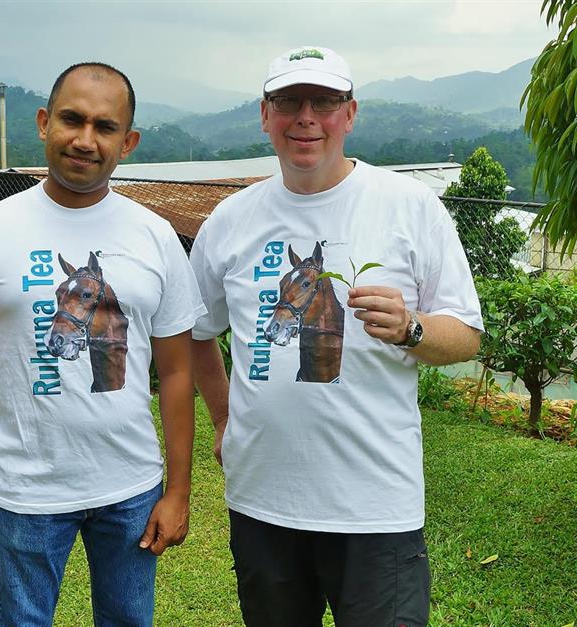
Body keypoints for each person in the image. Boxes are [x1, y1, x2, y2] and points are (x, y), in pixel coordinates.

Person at [0, 62, 205, 626]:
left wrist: (178, 492)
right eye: (72, 119)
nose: (85, 140)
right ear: (44, 122)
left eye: (105, 127)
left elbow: (177, 372)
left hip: (131, 486)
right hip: (28, 488)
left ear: (128, 142)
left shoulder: (155, 235)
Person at [190, 46, 483, 626]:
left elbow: (467, 334)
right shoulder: (230, 219)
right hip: (262, 503)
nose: (306, 117)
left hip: (376, 509)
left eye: (323, 102)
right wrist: (223, 420)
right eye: (288, 102)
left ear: (349, 114)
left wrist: (411, 328)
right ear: (265, 114)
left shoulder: (410, 207)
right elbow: (197, 331)